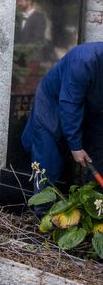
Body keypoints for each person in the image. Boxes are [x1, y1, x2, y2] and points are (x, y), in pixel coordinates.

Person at [21, 41, 103, 190]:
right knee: (48, 158)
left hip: (91, 107)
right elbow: (70, 103)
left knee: (100, 151)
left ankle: (95, 203)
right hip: (54, 104)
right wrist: (76, 146)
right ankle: (42, 210)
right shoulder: (83, 60)